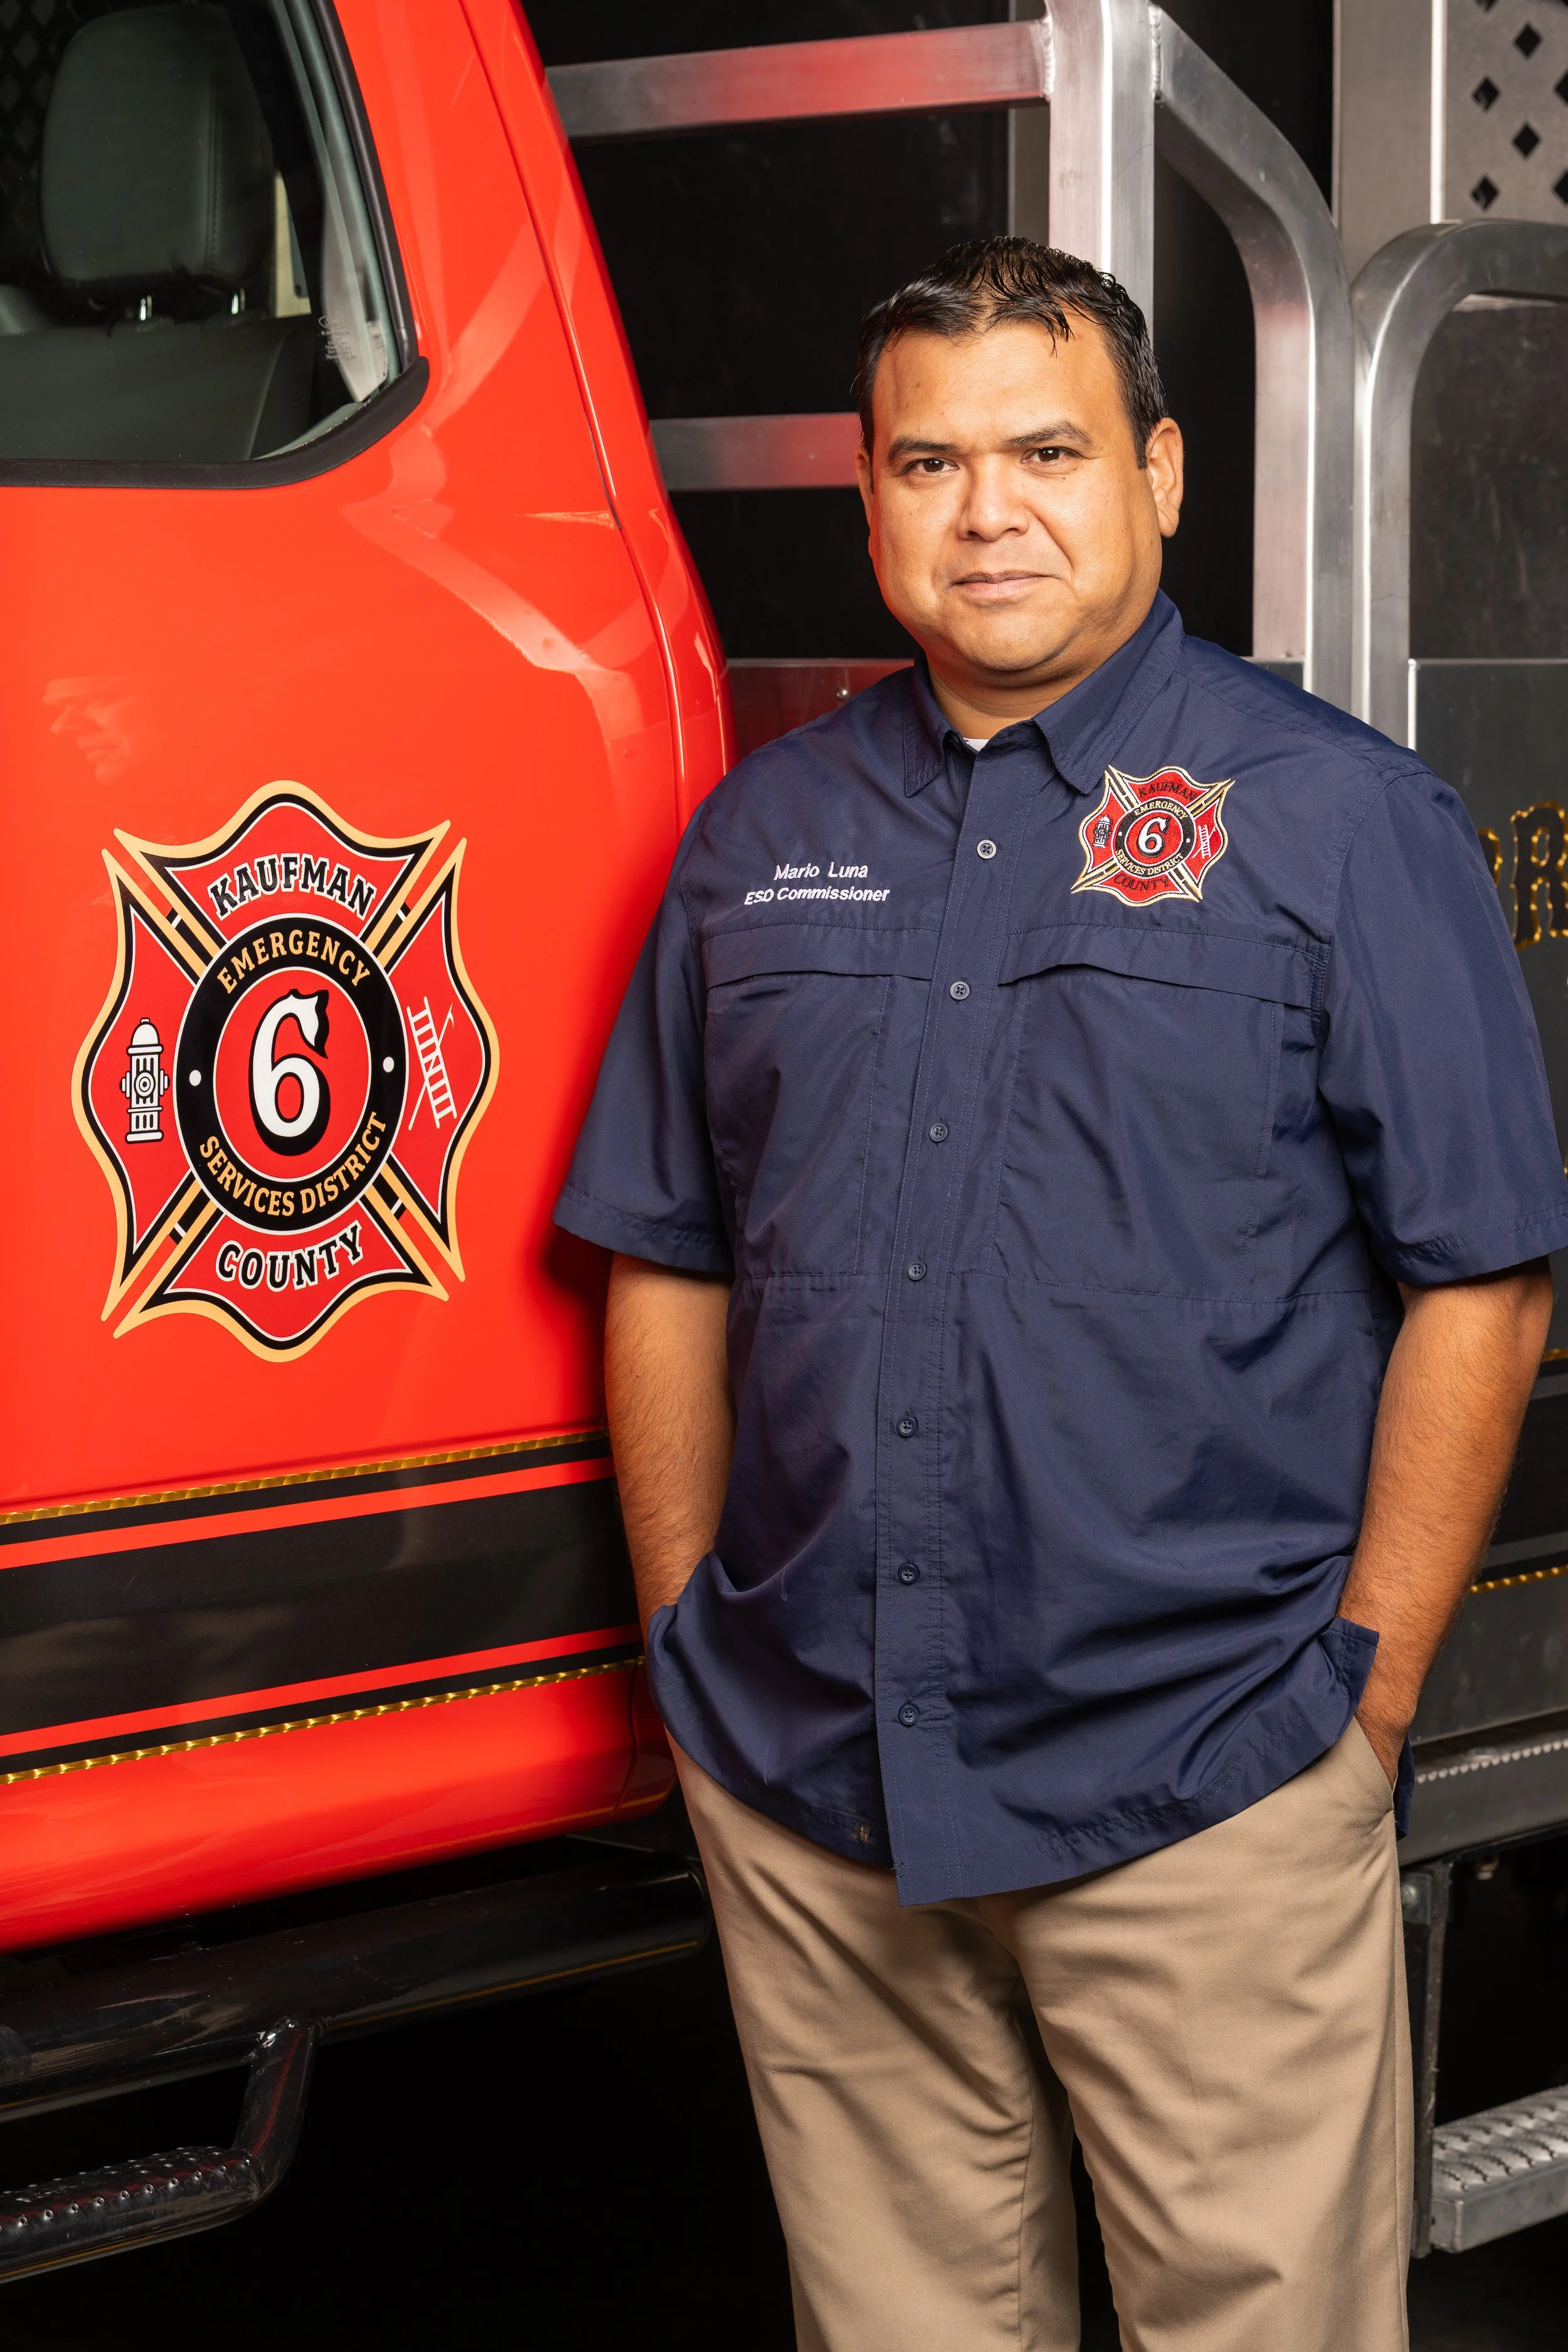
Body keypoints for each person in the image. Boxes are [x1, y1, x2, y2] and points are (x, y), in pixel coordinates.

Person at [554, 238, 1567, 2352]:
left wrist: (1355, 1706)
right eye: (927, 458)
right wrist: (687, 1645)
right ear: (866, 494)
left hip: (1204, 1782)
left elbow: (1484, 1274)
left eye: (1046, 450)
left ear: (1162, 474)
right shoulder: (759, 840)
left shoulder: (1340, 825)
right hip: (816, 1783)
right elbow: (662, 1248)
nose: (985, 509)